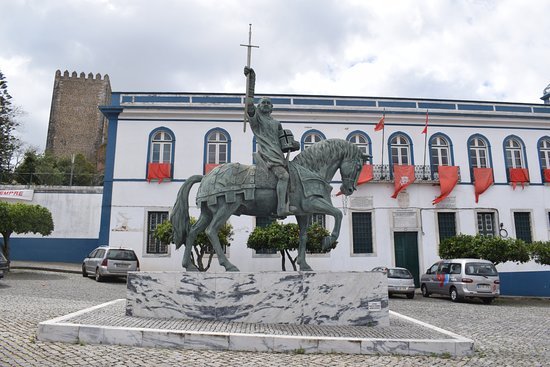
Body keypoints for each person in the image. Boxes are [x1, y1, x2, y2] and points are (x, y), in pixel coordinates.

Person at [244, 66, 298, 217]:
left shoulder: (277, 123)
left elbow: (284, 142)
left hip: (279, 156)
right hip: (268, 157)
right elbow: (249, 104)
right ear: (259, 107)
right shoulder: (257, 120)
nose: (266, 104)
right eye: (263, 103)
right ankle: (281, 208)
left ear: (272, 107)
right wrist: (251, 82)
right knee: (284, 177)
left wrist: (295, 145)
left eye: (268, 103)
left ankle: (290, 202)